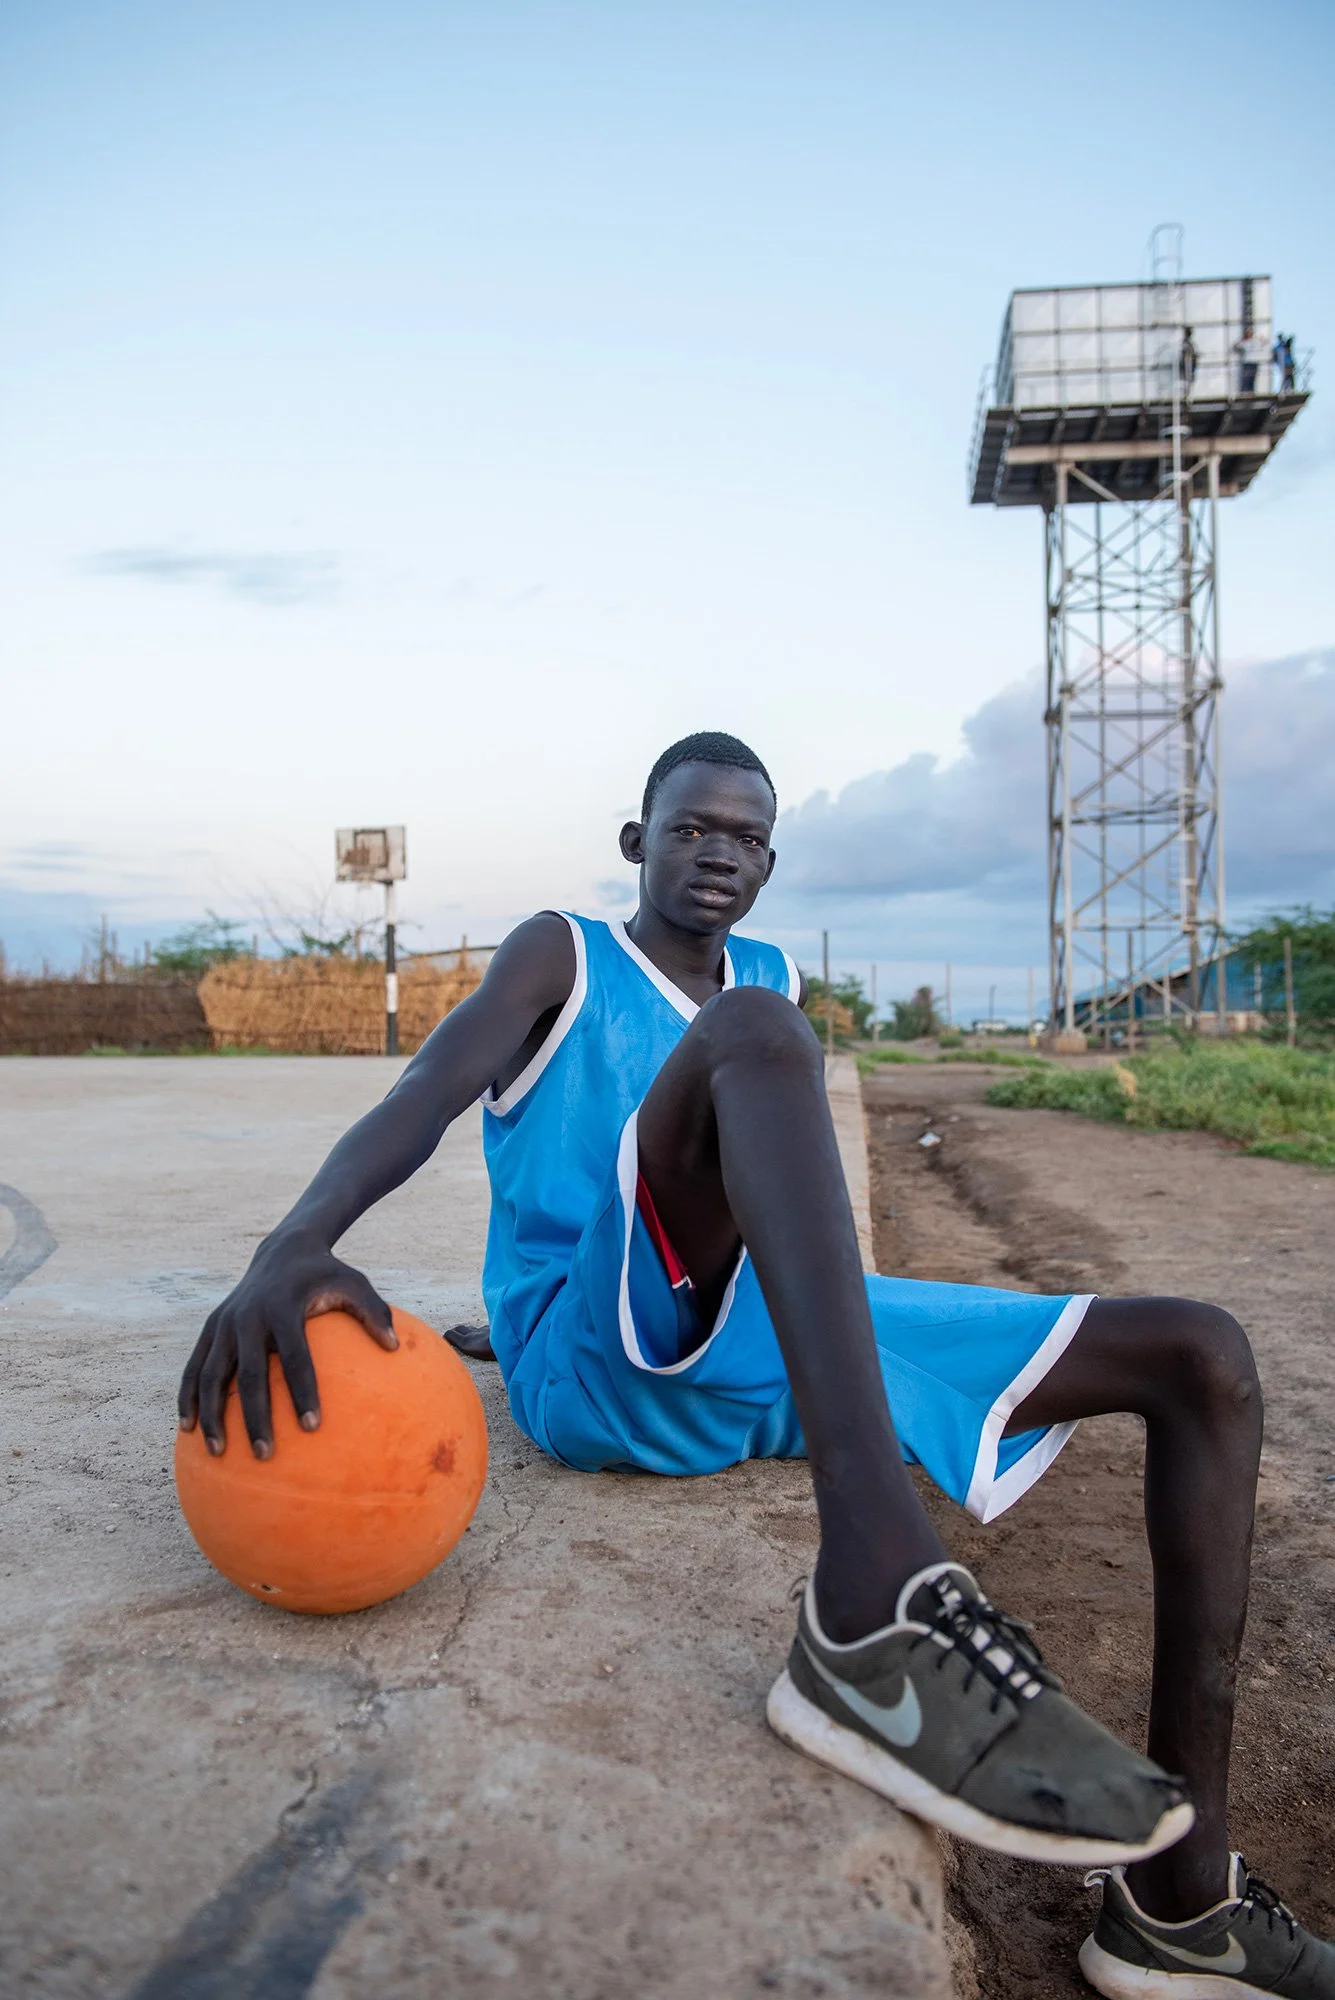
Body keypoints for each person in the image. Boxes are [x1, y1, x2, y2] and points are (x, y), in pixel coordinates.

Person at [180, 733, 1335, 1997]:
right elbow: (424, 1088)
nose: (716, 851)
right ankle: (872, 1600)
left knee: (1202, 1354)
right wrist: (295, 1241)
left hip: (753, 1346)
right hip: (595, 1358)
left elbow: (789, 1211)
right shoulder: (567, 955)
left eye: (743, 836)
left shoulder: (771, 975)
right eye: (690, 828)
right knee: (756, 1032)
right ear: (639, 840)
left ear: (770, 860)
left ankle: (1182, 1904)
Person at [1234, 324, 1266, 394]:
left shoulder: (1256, 341)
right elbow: (1235, 345)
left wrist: (1257, 336)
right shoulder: (1245, 342)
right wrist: (1242, 339)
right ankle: (1246, 392)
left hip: (1254, 362)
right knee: (1247, 378)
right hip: (1248, 362)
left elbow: (1264, 340)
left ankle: (1251, 392)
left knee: (1252, 378)